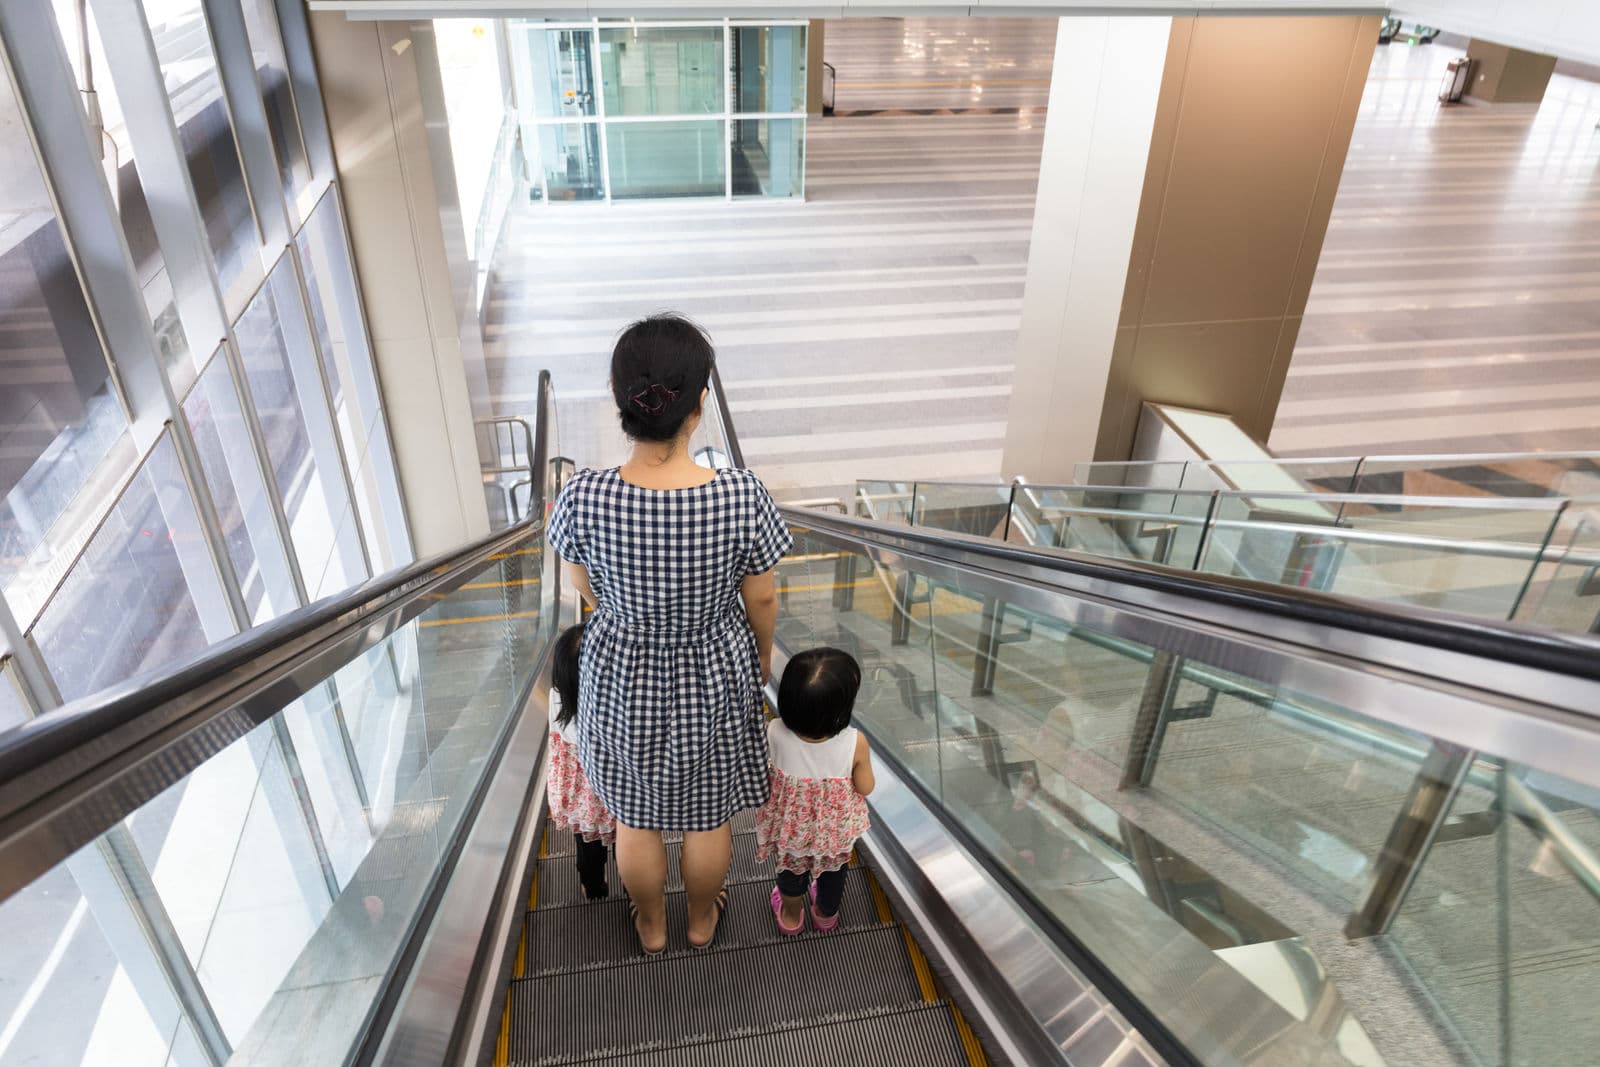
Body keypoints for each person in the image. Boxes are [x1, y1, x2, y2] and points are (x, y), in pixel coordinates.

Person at [546, 314, 792, 954]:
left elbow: (581, 582)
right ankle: (703, 924)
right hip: (714, 668)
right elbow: (761, 595)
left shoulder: (584, 496)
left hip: (622, 671)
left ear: (617, 393)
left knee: (634, 816)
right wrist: (759, 662)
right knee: (709, 818)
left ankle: (651, 927)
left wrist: (631, 617)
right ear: (700, 403)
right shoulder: (740, 496)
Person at [755, 647, 875, 935]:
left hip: (791, 830)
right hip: (833, 833)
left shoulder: (774, 731)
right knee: (833, 875)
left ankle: (791, 918)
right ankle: (825, 917)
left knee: (791, 875)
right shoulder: (854, 742)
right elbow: (866, 786)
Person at [546, 622, 614, 900]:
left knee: (589, 851)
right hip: (616, 799)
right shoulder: (611, 711)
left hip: (582, 802)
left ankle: (594, 888)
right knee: (631, 844)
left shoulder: (556, 699)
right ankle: (637, 891)